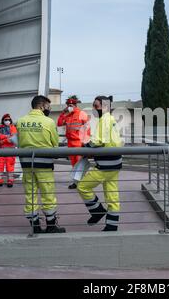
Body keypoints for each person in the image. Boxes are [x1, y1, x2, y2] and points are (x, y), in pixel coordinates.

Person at [18, 96, 66, 234]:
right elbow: (55, 145)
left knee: (30, 194)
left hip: (26, 163)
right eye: (48, 107)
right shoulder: (49, 122)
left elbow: (20, 142)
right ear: (42, 106)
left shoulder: (21, 121)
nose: (49, 109)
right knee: (48, 194)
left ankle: (35, 226)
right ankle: (51, 226)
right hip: (44, 163)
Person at [77, 96, 123, 232]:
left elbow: (97, 141)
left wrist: (85, 146)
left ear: (105, 107)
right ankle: (111, 226)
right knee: (112, 195)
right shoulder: (112, 119)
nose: (93, 108)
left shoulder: (104, 120)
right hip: (115, 164)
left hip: (105, 165)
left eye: (96, 106)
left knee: (82, 187)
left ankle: (97, 211)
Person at [57, 95, 91, 189]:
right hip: (70, 143)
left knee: (80, 164)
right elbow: (59, 123)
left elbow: (87, 128)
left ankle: (81, 183)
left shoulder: (82, 114)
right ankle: (76, 182)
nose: (70, 107)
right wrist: (63, 113)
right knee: (74, 164)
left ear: (76, 105)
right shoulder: (67, 115)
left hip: (79, 143)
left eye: (71, 105)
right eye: (68, 105)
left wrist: (85, 142)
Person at [0, 114, 18, 188]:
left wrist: (2, 141)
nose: (8, 121)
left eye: (9, 120)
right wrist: (6, 136)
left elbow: (13, 139)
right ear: (3, 120)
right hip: (1, 151)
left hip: (10, 151)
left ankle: (10, 181)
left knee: (9, 166)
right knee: (0, 167)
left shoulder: (13, 127)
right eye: (6, 119)